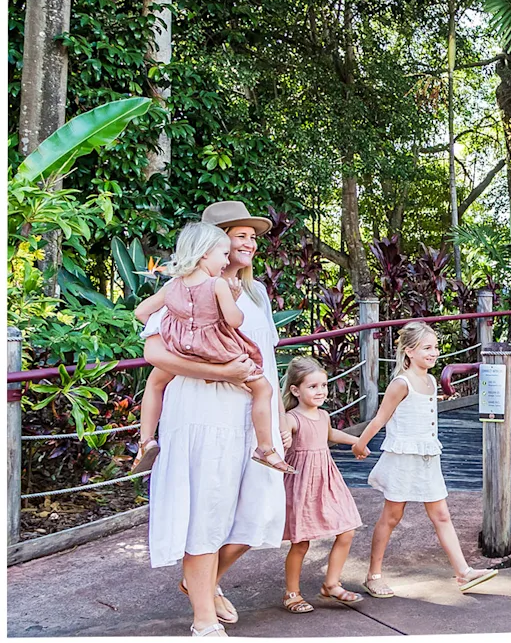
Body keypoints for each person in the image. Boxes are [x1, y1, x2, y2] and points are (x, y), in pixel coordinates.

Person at [142, 201, 289, 638]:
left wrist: (281, 415)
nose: (248, 244)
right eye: (239, 235)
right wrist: (222, 372)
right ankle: (204, 618)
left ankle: (203, 581)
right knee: (204, 512)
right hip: (204, 412)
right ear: (215, 241)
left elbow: (270, 364)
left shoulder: (256, 293)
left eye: (253, 237)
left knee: (261, 512)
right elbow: (154, 355)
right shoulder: (186, 287)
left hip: (253, 416)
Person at [132, 222, 292, 475]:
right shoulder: (217, 284)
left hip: (182, 350)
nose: (226, 260)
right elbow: (234, 321)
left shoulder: (173, 286)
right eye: (224, 254)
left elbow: (141, 312)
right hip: (215, 351)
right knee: (263, 388)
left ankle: (146, 441)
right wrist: (234, 300)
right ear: (206, 253)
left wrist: (175, 328)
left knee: (154, 384)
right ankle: (265, 447)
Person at [352, 321, 496, 596]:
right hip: (403, 457)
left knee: (441, 514)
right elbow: (381, 418)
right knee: (392, 516)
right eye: (426, 348)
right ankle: (374, 575)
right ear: (409, 351)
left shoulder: (431, 380)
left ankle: (463, 572)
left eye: (436, 347)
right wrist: (360, 444)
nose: (434, 353)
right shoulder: (401, 383)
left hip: (428, 456)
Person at [278, 356, 364, 614]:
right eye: (312, 387)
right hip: (302, 483)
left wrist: (355, 441)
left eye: (323, 386)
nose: (320, 391)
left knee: (347, 529)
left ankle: (331, 584)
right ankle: (292, 593)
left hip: (326, 480)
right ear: (295, 390)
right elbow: (278, 435)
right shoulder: (292, 419)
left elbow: (330, 435)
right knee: (301, 541)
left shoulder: (324, 415)